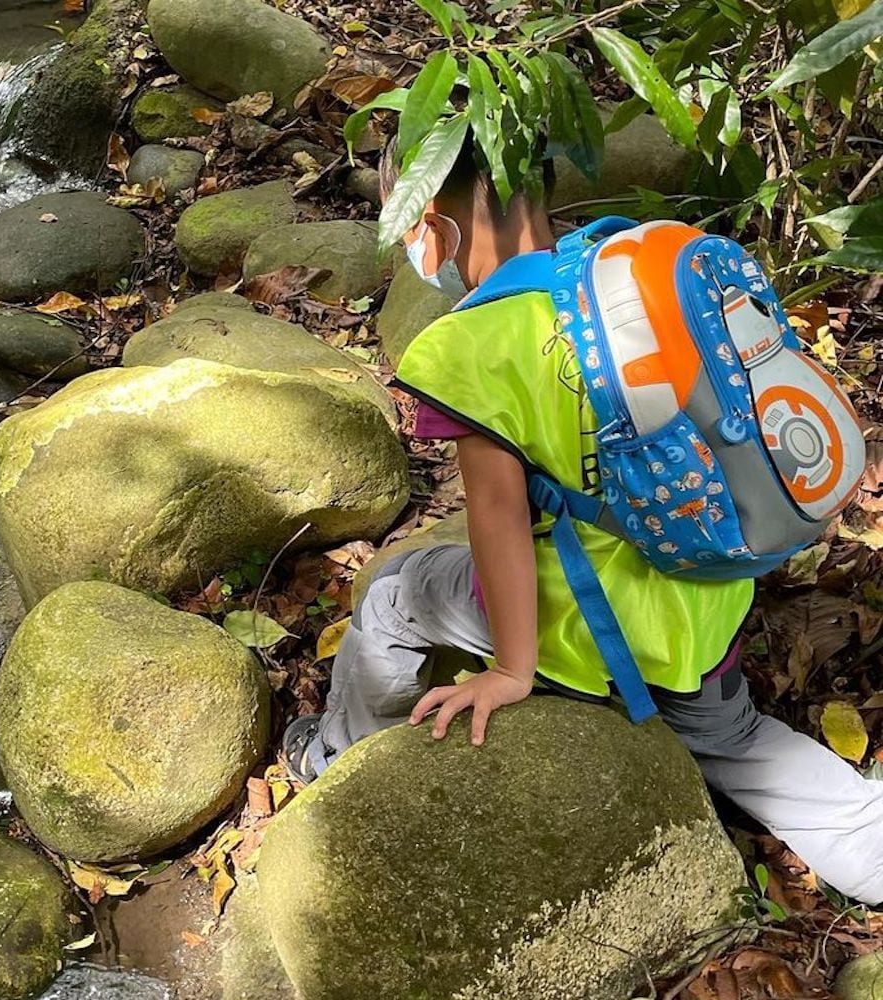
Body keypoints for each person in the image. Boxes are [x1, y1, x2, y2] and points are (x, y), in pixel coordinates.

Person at [284, 135, 883, 906]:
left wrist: (510, 671)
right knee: (733, 739)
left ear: (431, 225)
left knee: (395, 593)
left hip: (591, 621)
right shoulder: (635, 270)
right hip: (708, 596)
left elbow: (497, 520)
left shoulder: (468, 346)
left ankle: (335, 760)